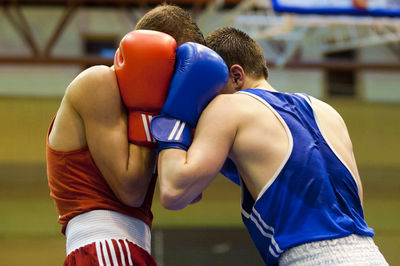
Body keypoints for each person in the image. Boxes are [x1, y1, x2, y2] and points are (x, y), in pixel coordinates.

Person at [151, 27, 388, 265]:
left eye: (211, 91)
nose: (207, 103)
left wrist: (174, 117)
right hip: (371, 253)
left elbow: (174, 192)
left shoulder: (228, 105)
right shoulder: (327, 111)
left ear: (236, 76)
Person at [46, 4, 205, 266]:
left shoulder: (159, 112)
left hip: (125, 249)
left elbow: (187, 192)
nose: (181, 80)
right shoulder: (98, 82)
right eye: (178, 68)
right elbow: (130, 190)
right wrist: (149, 110)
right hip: (106, 246)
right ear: (152, 56)